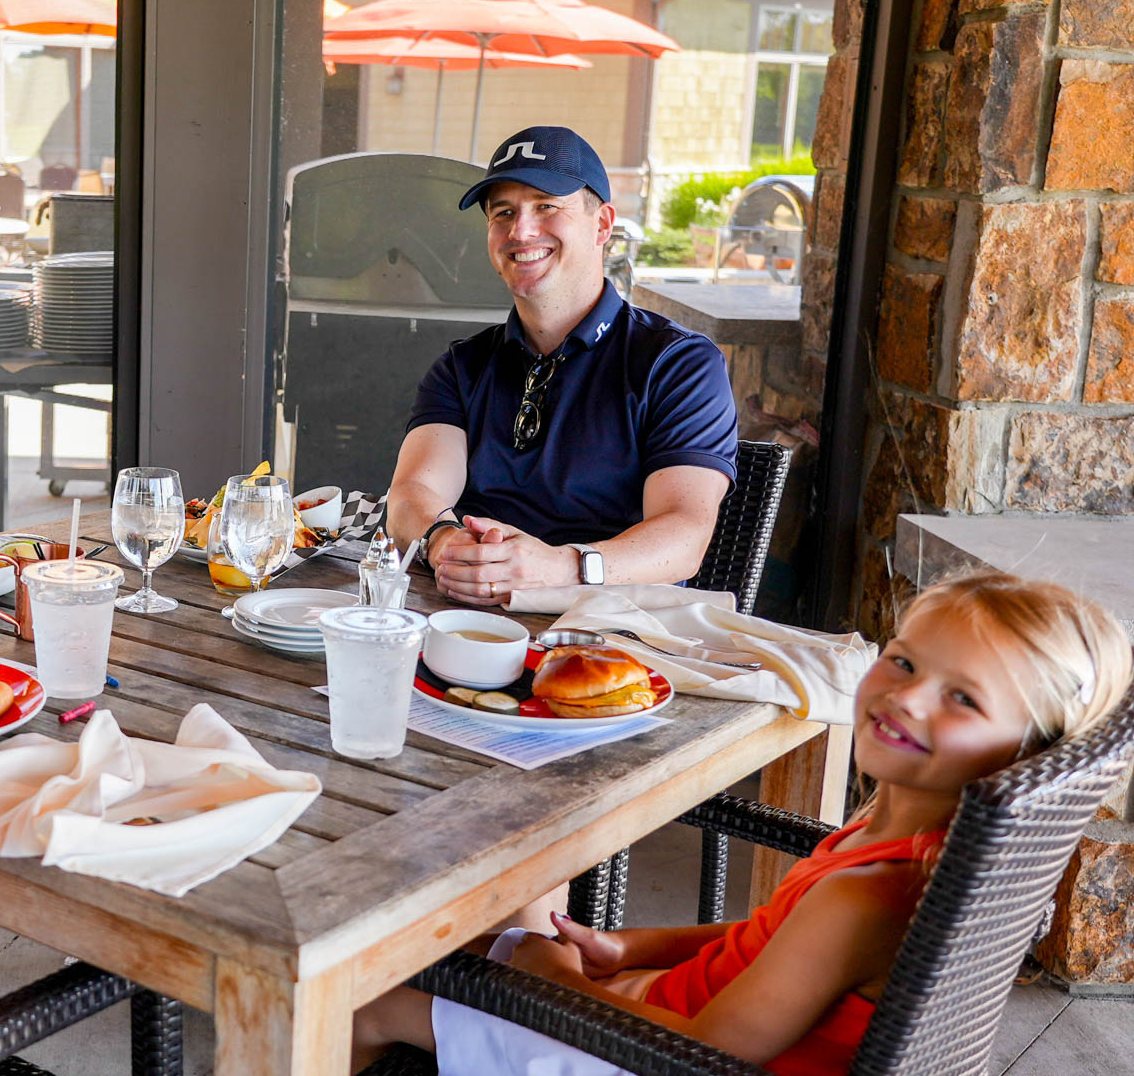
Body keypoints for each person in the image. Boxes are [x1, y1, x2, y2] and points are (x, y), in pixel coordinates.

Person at [351, 570, 1133, 1074]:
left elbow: (711, 1051)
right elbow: (774, 937)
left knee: (370, 999)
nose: (907, 697)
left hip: (663, 1056)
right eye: (903, 661)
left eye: (963, 699)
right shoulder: (899, 841)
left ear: (1027, 752)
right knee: (463, 952)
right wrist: (632, 948)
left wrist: (558, 980)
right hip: (657, 1012)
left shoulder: (868, 896)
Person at [385, 125, 738, 607]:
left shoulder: (678, 365)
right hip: (468, 620)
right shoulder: (461, 367)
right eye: (503, 213)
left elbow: (685, 536)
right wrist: (446, 542)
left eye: (546, 206)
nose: (520, 231)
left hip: (610, 630)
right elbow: (411, 493)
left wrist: (561, 567)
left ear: (602, 224)